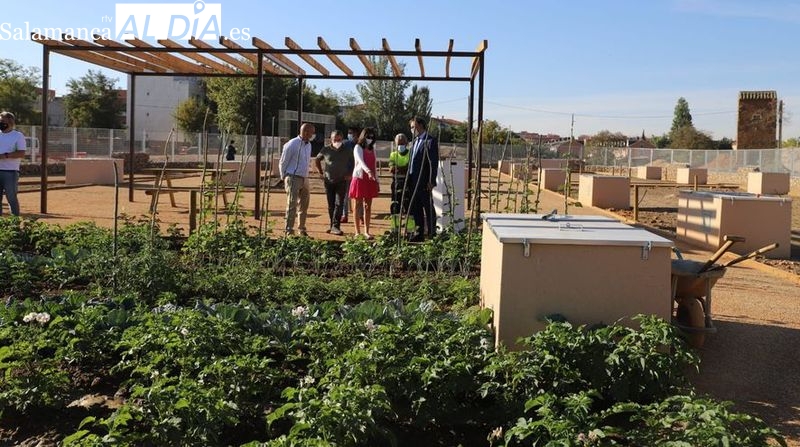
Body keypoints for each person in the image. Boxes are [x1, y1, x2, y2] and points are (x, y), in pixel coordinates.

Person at [314, 130, 353, 236]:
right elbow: (317, 160)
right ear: (331, 139)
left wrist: (350, 173)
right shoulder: (326, 149)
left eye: (339, 140)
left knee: (339, 204)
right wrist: (320, 172)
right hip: (328, 181)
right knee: (331, 205)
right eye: (335, 139)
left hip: (342, 181)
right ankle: (332, 225)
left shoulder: (347, 150)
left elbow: (354, 161)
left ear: (342, 139)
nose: (337, 141)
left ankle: (336, 226)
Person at [279, 122, 315, 236]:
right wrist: (284, 177)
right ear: (305, 132)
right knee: (292, 204)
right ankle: (289, 230)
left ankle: (301, 229)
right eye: (312, 132)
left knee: (304, 205)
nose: (313, 135)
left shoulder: (309, 145)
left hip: (305, 178)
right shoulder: (292, 144)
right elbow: (283, 161)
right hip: (293, 177)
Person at [406, 116, 439, 242]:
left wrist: (431, 180)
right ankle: (419, 233)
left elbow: (433, 163)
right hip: (413, 180)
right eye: (411, 127)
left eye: (413, 127)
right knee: (416, 208)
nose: (412, 129)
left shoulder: (430, 141)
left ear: (420, 125)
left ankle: (432, 233)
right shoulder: (414, 141)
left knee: (428, 207)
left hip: (424, 181)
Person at [348, 127, 380, 239]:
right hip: (360, 179)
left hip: (370, 180)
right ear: (363, 136)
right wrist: (368, 171)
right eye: (368, 136)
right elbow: (361, 162)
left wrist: (377, 180)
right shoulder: (358, 147)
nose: (370, 138)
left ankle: (367, 231)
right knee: (357, 205)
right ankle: (357, 232)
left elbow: (374, 166)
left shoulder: (373, 149)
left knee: (368, 206)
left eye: (372, 137)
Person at [0, 112, 26, 217]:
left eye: (2, 121)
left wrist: (5, 156)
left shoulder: (18, 136)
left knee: (11, 198)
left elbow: (21, 153)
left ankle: (14, 221)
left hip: (10, 172)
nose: (1, 123)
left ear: (10, 122)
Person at [388, 132, 412, 232]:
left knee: (409, 206)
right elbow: (391, 169)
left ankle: (410, 230)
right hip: (396, 183)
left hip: (408, 183)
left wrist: (398, 168)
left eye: (402, 143)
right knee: (395, 206)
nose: (400, 145)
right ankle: (395, 229)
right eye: (398, 143)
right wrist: (403, 168)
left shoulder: (410, 153)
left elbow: (409, 168)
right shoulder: (393, 154)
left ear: (406, 143)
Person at [340, 126, 359, 223]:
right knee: (345, 195)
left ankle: (360, 216)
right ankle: (344, 215)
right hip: (346, 173)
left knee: (358, 196)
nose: (350, 135)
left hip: (357, 174)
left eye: (352, 133)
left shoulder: (360, 145)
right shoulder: (345, 144)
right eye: (349, 133)